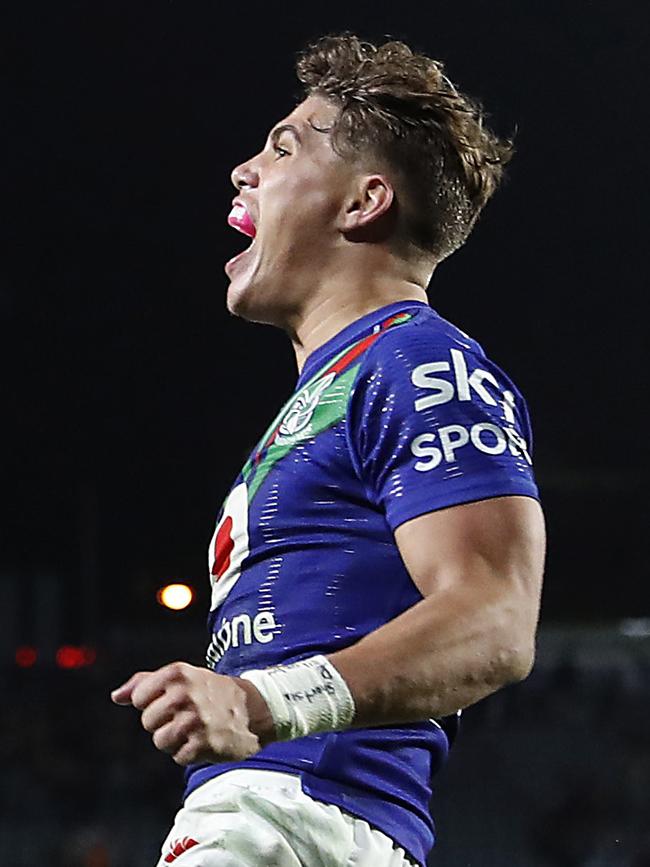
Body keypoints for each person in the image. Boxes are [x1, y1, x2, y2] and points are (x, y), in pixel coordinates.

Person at [111, 33, 545, 867]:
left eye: (283, 146)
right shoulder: (332, 392)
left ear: (362, 203)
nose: (246, 168)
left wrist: (259, 700)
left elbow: (495, 618)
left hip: (294, 815)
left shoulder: (418, 361)